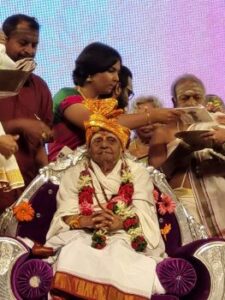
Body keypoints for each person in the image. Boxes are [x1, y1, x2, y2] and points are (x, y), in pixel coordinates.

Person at [45, 100, 166, 300]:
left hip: (125, 234)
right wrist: (87, 221)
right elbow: (64, 213)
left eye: (111, 140)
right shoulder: (75, 173)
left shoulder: (138, 173)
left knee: (122, 256)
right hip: (83, 233)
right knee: (75, 252)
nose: (104, 145)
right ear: (89, 148)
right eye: (97, 140)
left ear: (122, 148)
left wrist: (121, 222)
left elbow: (144, 212)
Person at [48, 42, 182, 161]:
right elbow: (98, 123)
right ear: (89, 74)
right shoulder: (66, 95)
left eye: (117, 72)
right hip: (63, 175)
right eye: (111, 71)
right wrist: (152, 116)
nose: (116, 78)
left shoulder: (106, 104)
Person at [149, 74, 225, 238]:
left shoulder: (221, 124)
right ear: (174, 101)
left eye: (197, 97)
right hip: (185, 204)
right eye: (185, 98)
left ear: (204, 100)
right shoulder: (163, 132)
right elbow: (155, 179)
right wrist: (181, 152)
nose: (191, 103)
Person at [0, 14, 53, 213]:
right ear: (4, 40)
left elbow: (40, 147)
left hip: (25, 195)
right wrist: (20, 124)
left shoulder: (39, 86)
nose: (29, 51)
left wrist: (46, 184)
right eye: (23, 43)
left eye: (34, 45)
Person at [129, 96, 162, 164]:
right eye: (141, 120)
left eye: (152, 119)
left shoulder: (170, 146)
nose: (147, 125)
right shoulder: (125, 150)